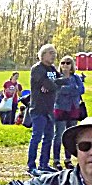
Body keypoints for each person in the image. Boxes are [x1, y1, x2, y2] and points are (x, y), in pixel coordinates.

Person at [27, 44, 69, 176]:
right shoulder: (37, 69)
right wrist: (53, 84)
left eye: (54, 53)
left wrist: (54, 84)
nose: (53, 55)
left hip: (50, 109)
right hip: (38, 109)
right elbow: (48, 83)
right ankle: (31, 166)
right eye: (51, 53)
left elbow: (63, 81)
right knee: (37, 137)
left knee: (49, 138)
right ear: (43, 54)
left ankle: (43, 164)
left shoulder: (51, 69)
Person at [52, 55, 84, 171]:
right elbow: (58, 91)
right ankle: (56, 160)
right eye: (63, 63)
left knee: (71, 135)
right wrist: (72, 89)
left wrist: (68, 89)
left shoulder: (75, 77)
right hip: (60, 108)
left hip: (73, 108)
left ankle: (68, 159)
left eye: (68, 63)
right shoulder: (57, 77)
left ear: (72, 66)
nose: (65, 65)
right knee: (59, 134)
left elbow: (81, 89)